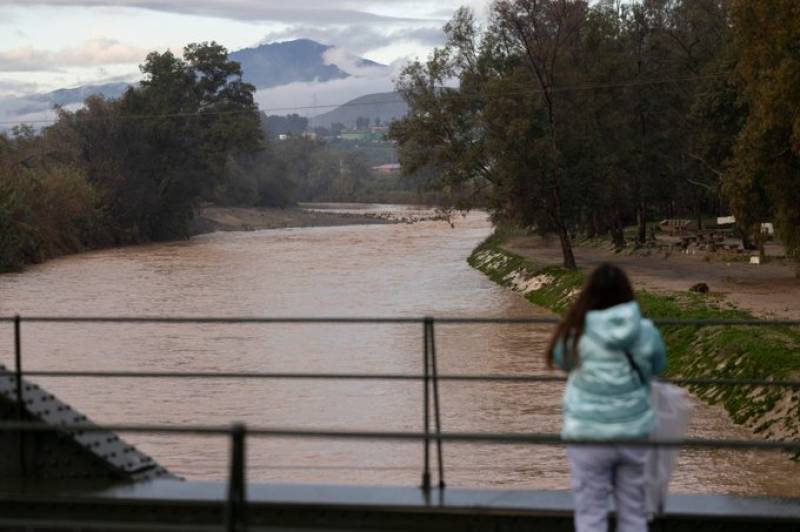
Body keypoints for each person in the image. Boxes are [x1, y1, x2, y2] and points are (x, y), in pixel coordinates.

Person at [546, 263, 666, 532]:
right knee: (634, 513)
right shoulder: (645, 331)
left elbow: (560, 360)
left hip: (588, 435)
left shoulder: (577, 332)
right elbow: (658, 367)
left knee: (591, 514)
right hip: (634, 433)